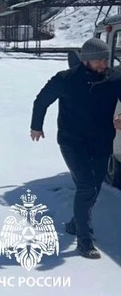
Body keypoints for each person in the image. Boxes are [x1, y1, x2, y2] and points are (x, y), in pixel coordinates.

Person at [30, 38, 121, 259]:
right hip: (72, 142)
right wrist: (36, 126)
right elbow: (41, 101)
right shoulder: (66, 80)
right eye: (99, 60)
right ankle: (84, 240)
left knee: (94, 188)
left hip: (102, 142)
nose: (104, 64)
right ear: (86, 61)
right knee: (86, 186)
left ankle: (75, 223)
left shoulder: (113, 79)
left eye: (106, 59)